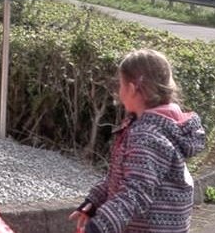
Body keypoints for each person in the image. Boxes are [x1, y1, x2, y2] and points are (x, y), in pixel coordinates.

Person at [69, 49, 205, 233]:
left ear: (132, 89)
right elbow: (122, 176)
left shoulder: (147, 136)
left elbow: (135, 192)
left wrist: (99, 226)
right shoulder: (158, 125)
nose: (118, 91)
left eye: (120, 84)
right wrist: (94, 201)